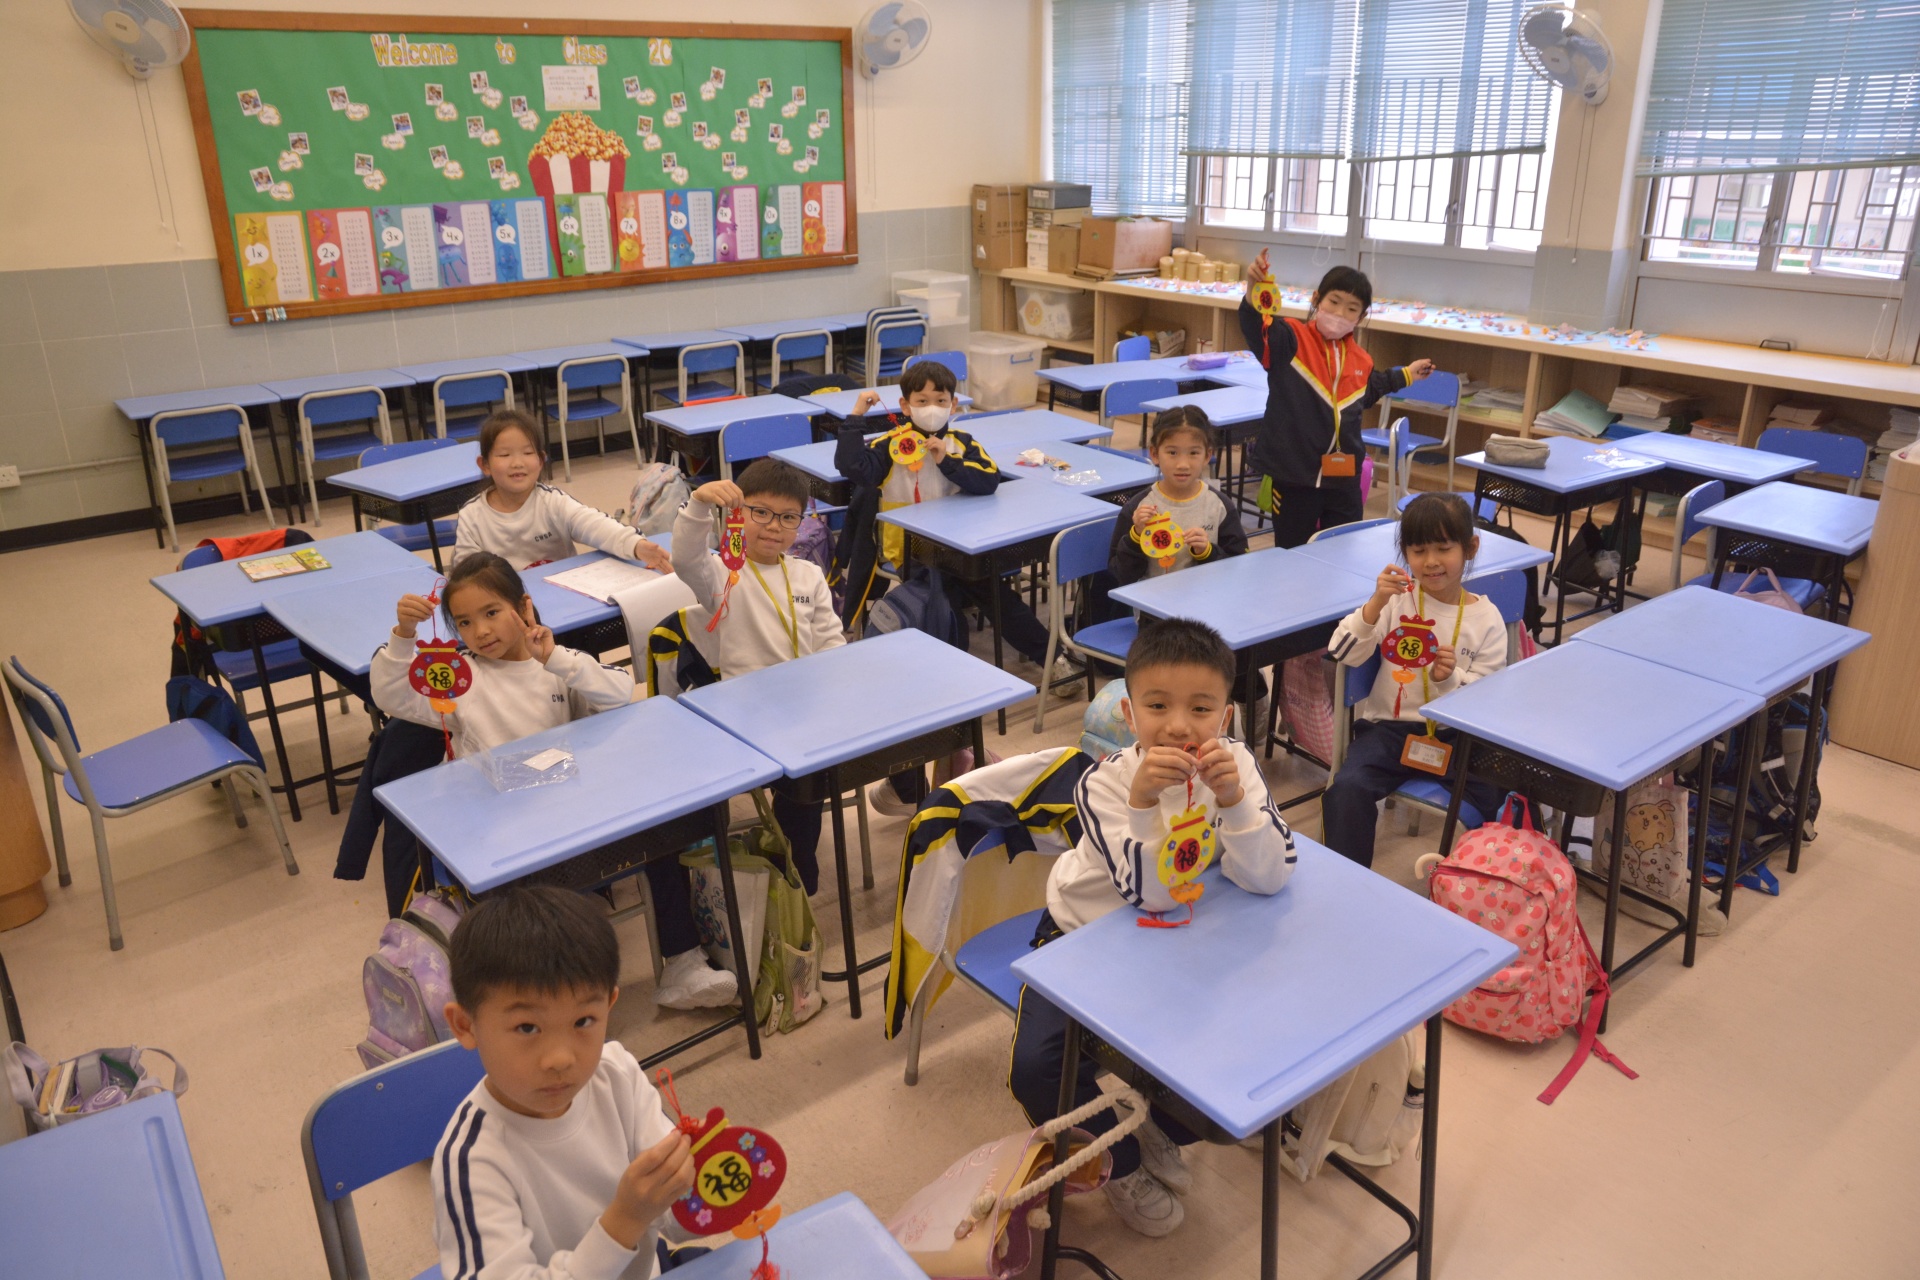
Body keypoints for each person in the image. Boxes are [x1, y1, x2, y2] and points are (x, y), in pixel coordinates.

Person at [1007, 619, 1296, 1238]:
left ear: (1226, 715)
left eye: (1201, 708)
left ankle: (1158, 1127)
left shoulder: (1238, 765)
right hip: (1085, 933)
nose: (1179, 726)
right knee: (1035, 1068)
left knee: (1233, 1055)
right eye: (1158, 706)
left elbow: (1271, 877)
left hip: (1182, 937)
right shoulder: (1104, 783)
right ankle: (1121, 1162)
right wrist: (1141, 806)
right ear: (1130, 712)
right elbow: (1152, 897)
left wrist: (1236, 803)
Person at [372, 554, 736, 1011]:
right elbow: (392, 696)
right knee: (528, 913)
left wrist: (556, 658)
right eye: (464, 623)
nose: (480, 631)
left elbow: (618, 695)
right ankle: (556, 1000)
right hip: (506, 833)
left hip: (573, 813)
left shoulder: (556, 662)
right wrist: (404, 635)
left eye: (491, 612)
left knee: (658, 833)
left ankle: (683, 963)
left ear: (524, 608)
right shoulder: (460, 680)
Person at [831, 359, 1073, 816]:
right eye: (921, 400)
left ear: (953, 404)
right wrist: (856, 417)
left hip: (959, 552)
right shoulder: (888, 446)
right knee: (947, 615)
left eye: (940, 400)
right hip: (909, 559)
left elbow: (989, 481)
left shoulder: (962, 443)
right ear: (905, 405)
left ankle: (1051, 659)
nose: (931, 407)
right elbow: (851, 467)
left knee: (996, 597)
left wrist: (947, 459)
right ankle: (954, 707)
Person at [432, 886, 694, 1280]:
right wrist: (625, 1220)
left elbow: (676, 1215)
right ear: (465, 1025)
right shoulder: (471, 1160)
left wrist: (705, 1186)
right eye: (527, 1027)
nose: (560, 1059)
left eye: (583, 1021)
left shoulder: (616, 1074)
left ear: (608, 1005)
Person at [672, 458, 843, 895]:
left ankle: (791, 850)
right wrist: (698, 503)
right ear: (739, 513)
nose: (773, 527)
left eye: (788, 517)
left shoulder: (807, 573)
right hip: (747, 715)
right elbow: (685, 558)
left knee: (831, 757)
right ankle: (797, 868)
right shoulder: (724, 574)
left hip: (804, 709)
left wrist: (833, 693)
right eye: (760, 512)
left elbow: (830, 640)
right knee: (807, 775)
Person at [1322, 493, 1508, 869]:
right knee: (1348, 788)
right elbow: (1341, 651)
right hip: (1389, 731)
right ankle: (1346, 881)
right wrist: (1375, 604)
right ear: (1406, 553)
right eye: (1419, 551)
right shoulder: (1397, 601)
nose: (1431, 561)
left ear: (1470, 548)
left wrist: (1449, 679)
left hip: (1456, 736)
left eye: (1444, 548)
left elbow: (1488, 699)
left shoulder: (1487, 618)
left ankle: (1476, 883)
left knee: (1499, 792)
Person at [1238, 257, 1435, 548]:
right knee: (1293, 554)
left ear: (1361, 316)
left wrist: (1407, 374)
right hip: (1294, 476)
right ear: (1317, 299)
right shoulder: (1290, 339)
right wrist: (1253, 288)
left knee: (1343, 549)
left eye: (1352, 308)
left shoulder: (1361, 359)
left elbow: (1370, 389)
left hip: (1343, 480)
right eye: (1334, 301)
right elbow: (1256, 326)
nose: (1341, 313)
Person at [452, 408, 671, 572]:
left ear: (541, 460)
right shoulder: (472, 516)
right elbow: (466, 574)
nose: (517, 463)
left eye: (527, 453)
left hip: (562, 599)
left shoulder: (552, 501)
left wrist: (635, 545)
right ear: (485, 465)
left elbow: (594, 525)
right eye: (504, 455)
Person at [1107, 406, 1249, 585]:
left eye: (1194, 453)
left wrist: (1207, 552)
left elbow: (1238, 568)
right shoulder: (1138, 507)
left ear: (1207, 456)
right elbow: (1120, 575)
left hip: (1206, 599)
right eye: (1172, 453)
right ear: (1155, 454)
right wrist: (1136, 536)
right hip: (1150, 600)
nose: (1183, 464)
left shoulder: (1220, 506)